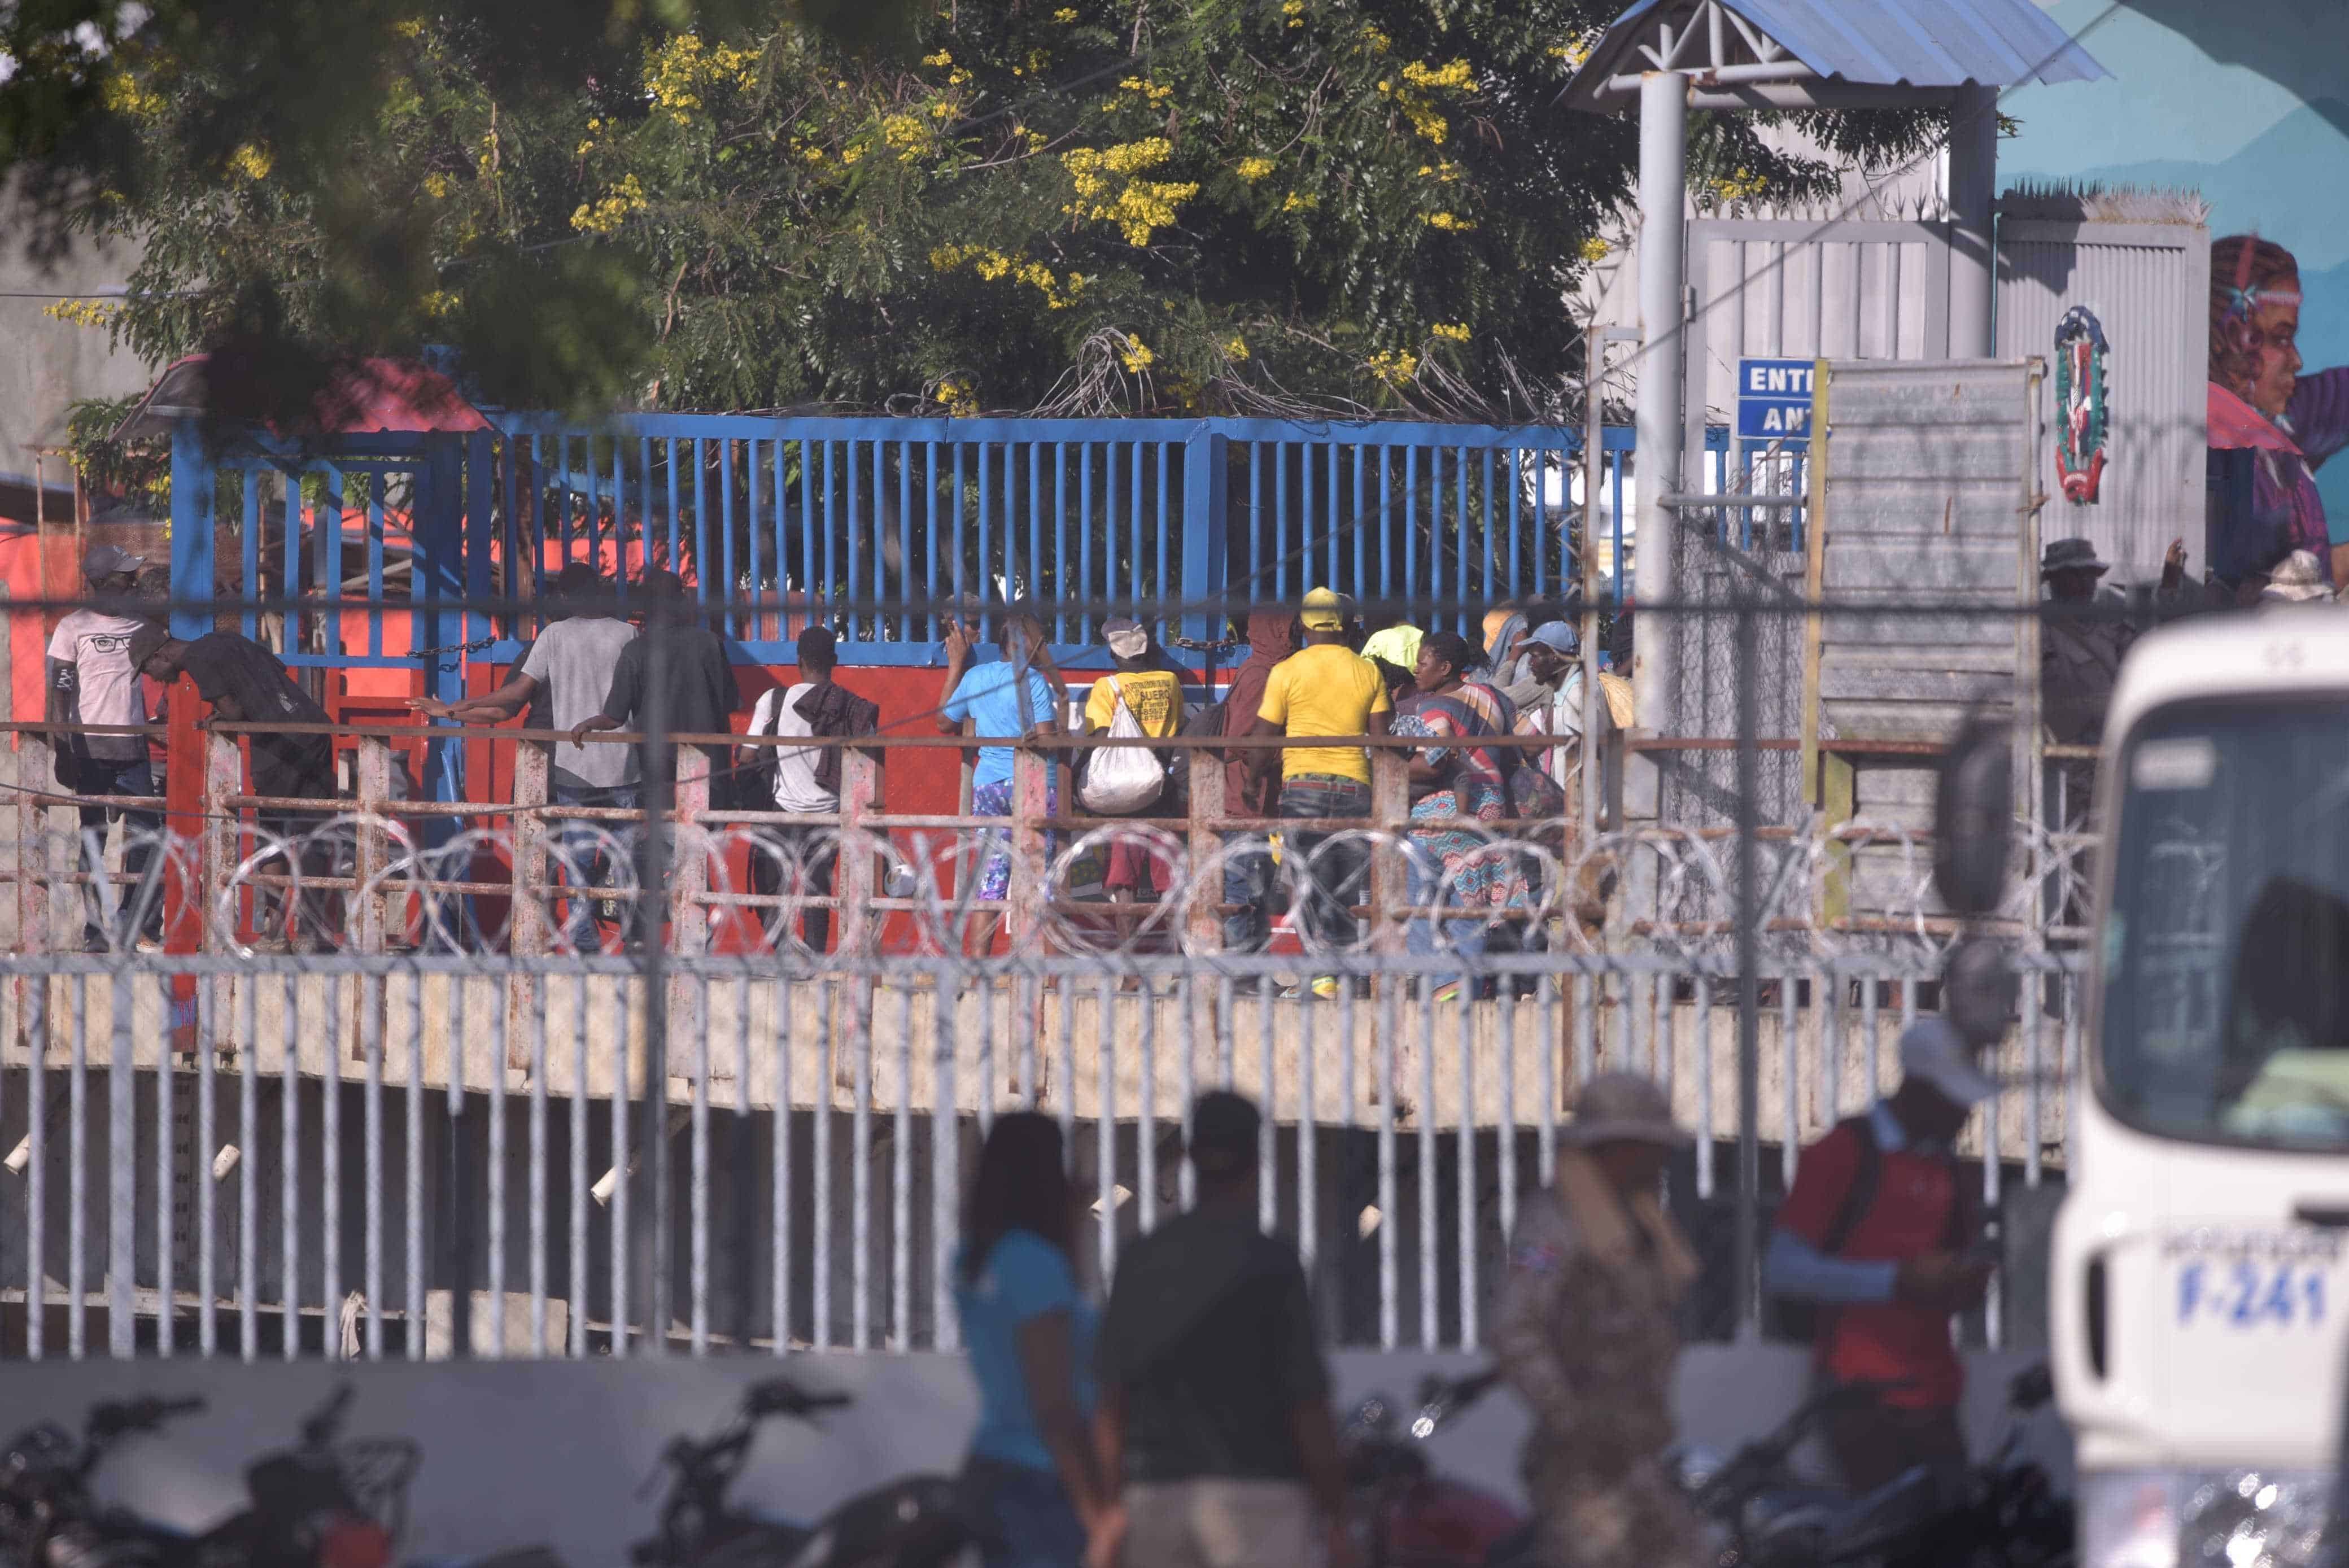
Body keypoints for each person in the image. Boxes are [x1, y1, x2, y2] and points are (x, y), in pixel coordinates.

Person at [1090, 1091, 1355, 1568]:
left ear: (1190, 1156)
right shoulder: (1272, 1261)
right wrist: (1336, 1513)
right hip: (1258, 1498)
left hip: (1155, 1496)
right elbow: (1306, 1402)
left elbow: (1111, 1397)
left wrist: (1109, 1509)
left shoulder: (1140, 1260)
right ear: (1257, 1158)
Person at [1764, 1016, 2001, 1493]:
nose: (1965, 1114)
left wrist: (1962, 1285)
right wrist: (1895, 1281)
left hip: (1934, 1396)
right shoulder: (1842, 1152)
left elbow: (1946, 1271)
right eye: (1954, 1098)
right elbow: (1783, 1270)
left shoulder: (1947, 1168)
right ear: (1917, 1087)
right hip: (1858, 1398)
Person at [1491, 1072, 1702, 1568]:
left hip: (1638, 1453)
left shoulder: (1636, 1221)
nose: (1661, 1159)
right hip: (1582, 1467)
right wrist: (1569, 1416)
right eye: (1650, 1146)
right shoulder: (1557, 1222)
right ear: (1616, 1147)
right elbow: (1513, 1327)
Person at [413, 561, 638, 949]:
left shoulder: (552, 637)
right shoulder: (628, 634)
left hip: (569, 766)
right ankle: (634, 940)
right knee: (628, 859)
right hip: (623, 765)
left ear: (563, 598)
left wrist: (454, 708)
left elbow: (511, 700)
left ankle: (579, 944)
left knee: (572, 863)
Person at [956, 1112, 1114, 1568]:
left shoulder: (974, 1256)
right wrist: (1097, 1514)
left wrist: (1070, 1231)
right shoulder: (1034, 1262)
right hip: (1041, 1481)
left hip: (992, 1462)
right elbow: (1054, 1405)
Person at [132, 624, 342, 950]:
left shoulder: (198, 659)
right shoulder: (225, 640)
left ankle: (280, 933)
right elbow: (275, 671)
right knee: (310, 831)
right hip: (312, 731)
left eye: (150, 669)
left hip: (280, 745)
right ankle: (306, 931)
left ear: (161, 654)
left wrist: (219, 717)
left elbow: (235, 710)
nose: (155, 678)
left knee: (275, 835)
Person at [571, 569, 741, 941]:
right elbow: (729, 703)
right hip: (707, 773)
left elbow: (614, 715)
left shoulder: (636, 650)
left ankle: (639, 937)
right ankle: (695, 940)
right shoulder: (710, 644)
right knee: (695, 855)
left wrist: (589, 724)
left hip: (657, 775)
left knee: (651, 859)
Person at [1243, 588, 1392, 998]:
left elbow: (1263, 737)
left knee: (1307, 884)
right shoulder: (1368, 671)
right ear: (1345, 624)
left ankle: (1320, 978)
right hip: (1355, 788)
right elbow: (1382, 741)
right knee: (1347, 888)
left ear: (1305, 624)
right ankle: (1349, 977)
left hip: (1302, 787)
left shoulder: (1288, 670)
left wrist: (1252, 781)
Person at [2206, 234, 2349, 588]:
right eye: (2281, 338)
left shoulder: (2276, 426)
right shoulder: (2225, 463)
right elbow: (2281, 589)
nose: (2297, 360)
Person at [1393, 631, 1525, 1002]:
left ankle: (1444, 978)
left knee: (1417, 892)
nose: (1416, 669)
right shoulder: (1493, 696)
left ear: (1445, 667)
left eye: (1423, 662)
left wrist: (1391, 767)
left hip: (1446, 808)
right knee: (1473, 897)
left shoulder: (1434, 706)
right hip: (1492, 803)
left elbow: (1433, 762)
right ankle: (1469, 984)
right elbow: (1522, 744)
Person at [47, 543, 163, 950]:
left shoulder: (142, 625)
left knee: (148, 837)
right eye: (124, 576)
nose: (132, 582)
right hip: (90, 750)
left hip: (133, 749)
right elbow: (59, 693)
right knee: (93, 837)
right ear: (102, 583)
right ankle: (95, 930)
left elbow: (174, 655)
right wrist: (62, 748)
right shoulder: (72, 627)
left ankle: (134, 923)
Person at [741, 626, 879, 953]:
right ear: (834, 660)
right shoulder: (850, 707)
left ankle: (786, 950)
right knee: (818, 888)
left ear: (798, 660)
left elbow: (747, 753)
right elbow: (869, 756)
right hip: (830, 814)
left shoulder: (774, 700)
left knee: (769, 885)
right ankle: (816, 955)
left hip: (782, 811)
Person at [938, 611, 1062, 958]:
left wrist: (955, 667)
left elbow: (943, 721)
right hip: (1033, 786)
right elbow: (1045, 739)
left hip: (989, 786)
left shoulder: (976, 677)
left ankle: (978, 972)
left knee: (991, 880)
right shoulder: (1034, 681)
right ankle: (1049, 979)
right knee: (1042, 880)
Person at [1083, 615, 1187, 912]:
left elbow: (1102, 737)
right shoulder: (1170, 681)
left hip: (1125, 792)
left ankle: (1126, 948)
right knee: (1168, 877)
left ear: (1113, 653)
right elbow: (1178, 726)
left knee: (1122, 877)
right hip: (1162, 787)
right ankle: (1175, 949)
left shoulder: (1107, 686)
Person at [1213, 612, 1298, 963]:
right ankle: (1242, 968)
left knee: (1255, 883)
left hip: (1257, 797)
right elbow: (1244, 741)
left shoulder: (1266, 671)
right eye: (1290, 631)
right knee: (1243, 884)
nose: (1295, 639)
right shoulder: (1261, 675)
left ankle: (1253, 967)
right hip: (1246, 795)